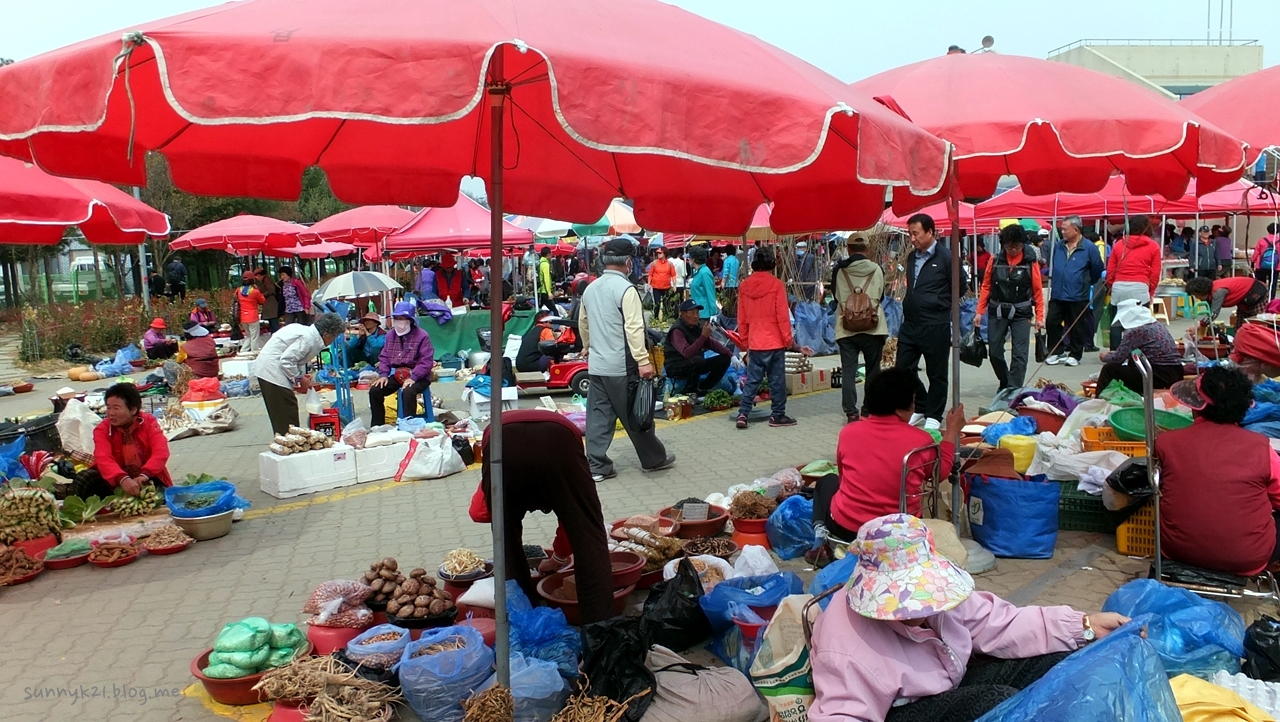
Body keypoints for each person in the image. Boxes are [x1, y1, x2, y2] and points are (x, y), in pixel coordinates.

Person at [809, 514, 1128, 722]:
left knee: (1054, 659)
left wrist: (1085, 626)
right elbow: (843, 713)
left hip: (951, 684)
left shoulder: (941, 600)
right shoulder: (846, 644)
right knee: (997, 701)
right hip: (901, 713)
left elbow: (1001, 624)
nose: (922, 610)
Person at [468, 410, 614, 623]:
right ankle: (601, 631)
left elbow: (478, 512)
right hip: (558, 439)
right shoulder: (562, 469)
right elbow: (574, 524)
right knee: (589, 536)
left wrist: (505, 509)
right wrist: (560, 557)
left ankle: (524, 619)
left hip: (502, 442)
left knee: (505, 541)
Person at [812, 367, 961, 548]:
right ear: (900, 408)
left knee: (826, 482)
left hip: (848, 527)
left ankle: (820, 539)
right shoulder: (921, 440)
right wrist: (952, 432)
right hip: (900, 530)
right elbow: (941, 473)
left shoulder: (848, 432)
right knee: (828, 482)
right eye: (913, 402)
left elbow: (843, 480)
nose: (915, 407)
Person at [1157, 365, 1280, 576]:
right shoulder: (1261, 447)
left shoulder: (1166, 442)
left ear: (1196, 406)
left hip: (1176, 551)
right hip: (1246, 558)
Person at [580, 238, 674, 481]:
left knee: (599, 415)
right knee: (636, 413)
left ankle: (597, 466)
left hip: (597, 365)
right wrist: (643, 360)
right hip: (621, 364)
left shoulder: (591, 288)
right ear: (628, 262)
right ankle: (653, 459)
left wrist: (587, 346)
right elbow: (634, 328)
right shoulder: (626, 290)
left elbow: (583, 322)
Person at [896, 214, 966, 430]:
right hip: (910, 323)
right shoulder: (911, 257)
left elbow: (960, 287)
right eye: (910, 234)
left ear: (930, 232)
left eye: (915, 233)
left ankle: (934, 414)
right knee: (903, 370)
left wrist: (938, 302)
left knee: (936, 372)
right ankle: (921, 405)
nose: (912, 238)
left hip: (936, 323)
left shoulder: (946, 257)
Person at [735, 246, 802, 429]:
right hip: (774, 341)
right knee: (777, 381)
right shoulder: (776, 285)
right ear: (772, 263)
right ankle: (777, 415)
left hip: (755, 342)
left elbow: (741, 317)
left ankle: (743, 413)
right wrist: (788, 341)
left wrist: (745, 341)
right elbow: (782, 315)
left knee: (752, 381)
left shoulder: (744, 286)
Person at [72, 383, 173, 499]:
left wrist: (145, 475)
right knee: (83, 478)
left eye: (116, 408)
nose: (111, 413)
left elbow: (161, 452)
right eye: (108, 407)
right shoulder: (102, 429)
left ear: (133, 409)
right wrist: (122, 479)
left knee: (162, 497)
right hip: (113, 481)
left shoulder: (148, 422)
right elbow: (103, 458)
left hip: (145, 478)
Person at [975, 225, 1045, 389]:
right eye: (1009, 246)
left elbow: (1037, 290)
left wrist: (1040, 316)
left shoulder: (1030, 262)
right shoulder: (995, 260)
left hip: (1021, 312)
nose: (1013, 250)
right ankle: (1005, 380)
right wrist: (979, 311)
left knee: (1020, 354)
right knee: (994, 352)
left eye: (1017, 246)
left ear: (1023, 244)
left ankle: (1013, 389)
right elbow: (986, 286)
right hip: (997, 311)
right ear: (1003, 245)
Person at [253, 313, 346, 435]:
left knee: (286, 409)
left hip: (270, 370)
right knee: (286, 412)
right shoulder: (308, 338)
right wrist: (299, 378)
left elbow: (293, 359)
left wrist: (299, 375)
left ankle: (288, 439)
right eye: (334, 337)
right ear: (326, 335)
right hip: (272, 373)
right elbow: (286, 361)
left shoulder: (305, 332)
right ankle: (289, 442)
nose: (332, 341)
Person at [832, 237, 887, 422]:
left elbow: (835, 295)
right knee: (873, 370)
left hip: (846, 327)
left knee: (848, 370)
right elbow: (881, 296)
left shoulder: (840, 271)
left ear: (848, 249)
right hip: (873, 326)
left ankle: (851, 412)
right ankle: (868, 409)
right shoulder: (877, 269)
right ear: (867, 249)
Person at [1045, 215, 1105, 367]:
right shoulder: (1059, 245)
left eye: (1065, 229)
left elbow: (1097, 269)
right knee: (1052, 321)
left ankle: (1075, 354)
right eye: (1062, 229)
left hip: (1078, 293)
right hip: (1058, 292)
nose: (1062, 231)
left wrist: (1085, 282)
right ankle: (1056, 351)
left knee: (1077, 325)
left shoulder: (1089, 247)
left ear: (1076, 230)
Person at [1096, 300, 1184, 393]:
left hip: (1159, 375)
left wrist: (1105, 357)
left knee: (1109, 369)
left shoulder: (1135, 331)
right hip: (1176, 371)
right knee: (1131, 364)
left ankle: (1100, 400)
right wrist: (1117, 354)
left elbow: (1117, 359)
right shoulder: (1156, 324)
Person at [369, 301, 434, 426]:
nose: (399, 322)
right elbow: (384, 356)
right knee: (375, 390)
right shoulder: (390, 336)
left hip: (419, 376)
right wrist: (383, 374)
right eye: (397, 318)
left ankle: (409, 425)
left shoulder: (422, 336)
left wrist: (414, 377)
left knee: (408, 391)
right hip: (398, 375)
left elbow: (426, 361)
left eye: (403, 318)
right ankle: (377, 426)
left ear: (410, 320)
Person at [1104, 215, 1162, 350]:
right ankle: (1139, 352)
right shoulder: (1153, 246)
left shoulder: (1119, 245)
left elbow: (1110, 269)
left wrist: (1111, 285)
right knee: (1140, 323)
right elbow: (1155, 273)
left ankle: (1115, 354)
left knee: (1116, 322)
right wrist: (1151, 291)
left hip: (1119, 286)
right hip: (1140, 287)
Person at [663, 299, 733, 395]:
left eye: (697, 313)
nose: (696, 316)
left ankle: (703, 387)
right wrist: (703, 336)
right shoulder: (677, 330)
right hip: (676, 366)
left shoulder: (696, 327)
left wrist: (730, 355)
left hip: (695, 363)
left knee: (724, 359)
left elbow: (711, 343)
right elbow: (687, 353)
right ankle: (690, 391)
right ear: (683, 314)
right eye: (692, 313)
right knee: (697, 360)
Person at [1187, 275, 1269, 328]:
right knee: (1239, 327)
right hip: (1243, 299)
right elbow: (1209, 312)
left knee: (1257, 325)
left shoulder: (1218, 292)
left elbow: (1213, 313)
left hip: (1256, 291)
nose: (1197, 297)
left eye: (1196, 295)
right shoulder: (1211, 293)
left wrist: (1200, 325)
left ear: (1201, 291)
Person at [235, 271, 267, 351]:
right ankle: (254, 352)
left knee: (248, 336)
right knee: (254, 336)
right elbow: (262, 301)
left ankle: (243, 351)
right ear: (252, 280)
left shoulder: (238, 290)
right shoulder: (255, 291)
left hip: (243, 317)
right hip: (252, 317)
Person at [688, 246, 718, 321]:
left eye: (690, 258)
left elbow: (710, 293)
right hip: (698, 311)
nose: (688, 260)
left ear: (694, 259)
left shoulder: (704, 272)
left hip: (704, 313)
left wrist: (713, 313)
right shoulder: (699, 272)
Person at [647, 248, 675, 320]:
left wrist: (674, 285)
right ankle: (655, 319)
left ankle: (666, 319)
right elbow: (650, 274)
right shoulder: (654, 263)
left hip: (667, 287)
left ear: (665, 254)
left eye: (660, 253)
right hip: (656, 287)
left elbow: (673, 275)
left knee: (666, 304)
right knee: (657, 304)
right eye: (658, 253)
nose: (658, 254)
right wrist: (649, 284)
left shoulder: (670, 264)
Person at [1253, 223, 1280, 297]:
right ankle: (1271, 300)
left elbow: (1256, 253)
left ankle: (1261, 299)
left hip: (1261, 266)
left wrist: (1253, 261)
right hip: (1276, 266)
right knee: (1273, 285)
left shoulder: (1262, 240)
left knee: (1261, 284)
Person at [254, 267, 280, 332]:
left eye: (256, 276)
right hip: (268, 305)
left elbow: (271, 290)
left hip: (271, 304)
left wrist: (262, 295)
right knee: (272, 324)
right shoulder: (262, 281)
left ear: (259, 275)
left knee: (274, 324)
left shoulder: (266, 280)